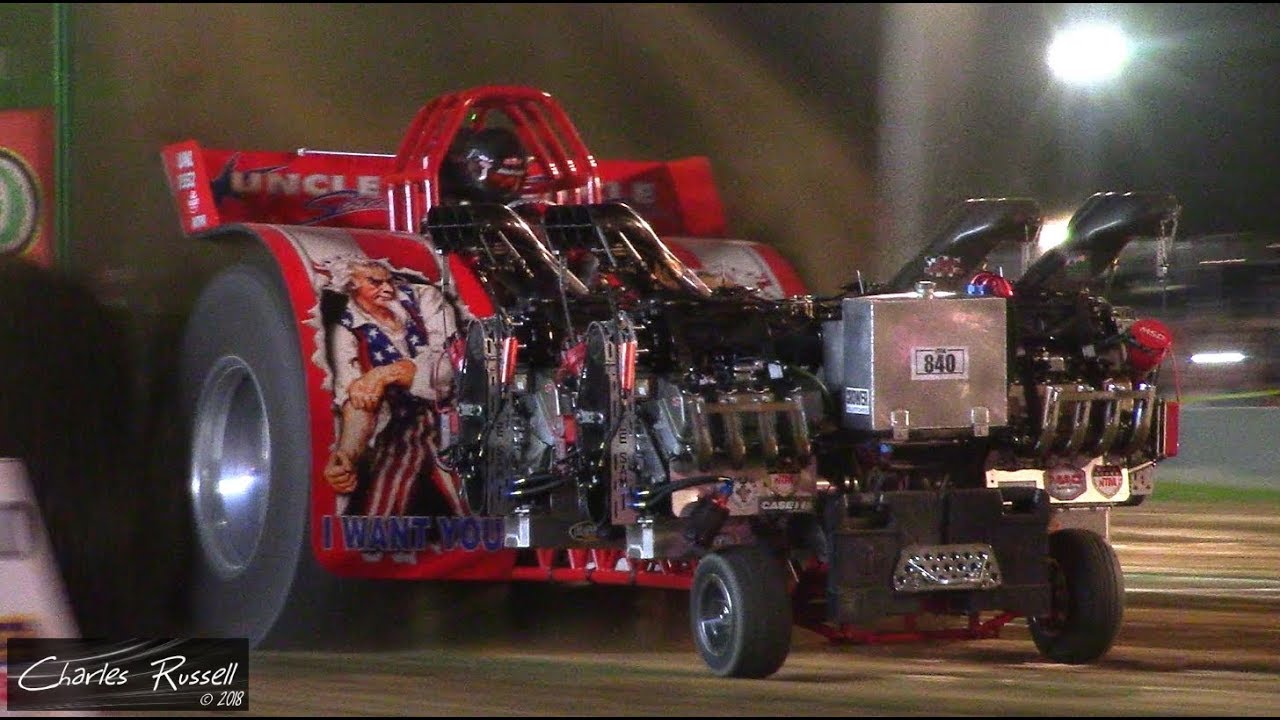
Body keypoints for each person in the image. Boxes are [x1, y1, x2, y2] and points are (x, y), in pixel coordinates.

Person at [321, 255, 471, 517]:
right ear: (352, 286)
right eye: (374, 282)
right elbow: (358, 399)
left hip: (459, 412)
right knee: (381, 509)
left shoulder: (424, 297)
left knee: (472, 498)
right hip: (401, 428)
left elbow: (451, 363)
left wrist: (386, 373)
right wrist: (347, 455)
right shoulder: (346, 331)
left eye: (389, 280)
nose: (388, 289)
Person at [439, 125, 530, 205]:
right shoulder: (445, 190)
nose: (503, 186)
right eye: (498, 179)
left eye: (512, 181)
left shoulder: (519, 205)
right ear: (475, 167)